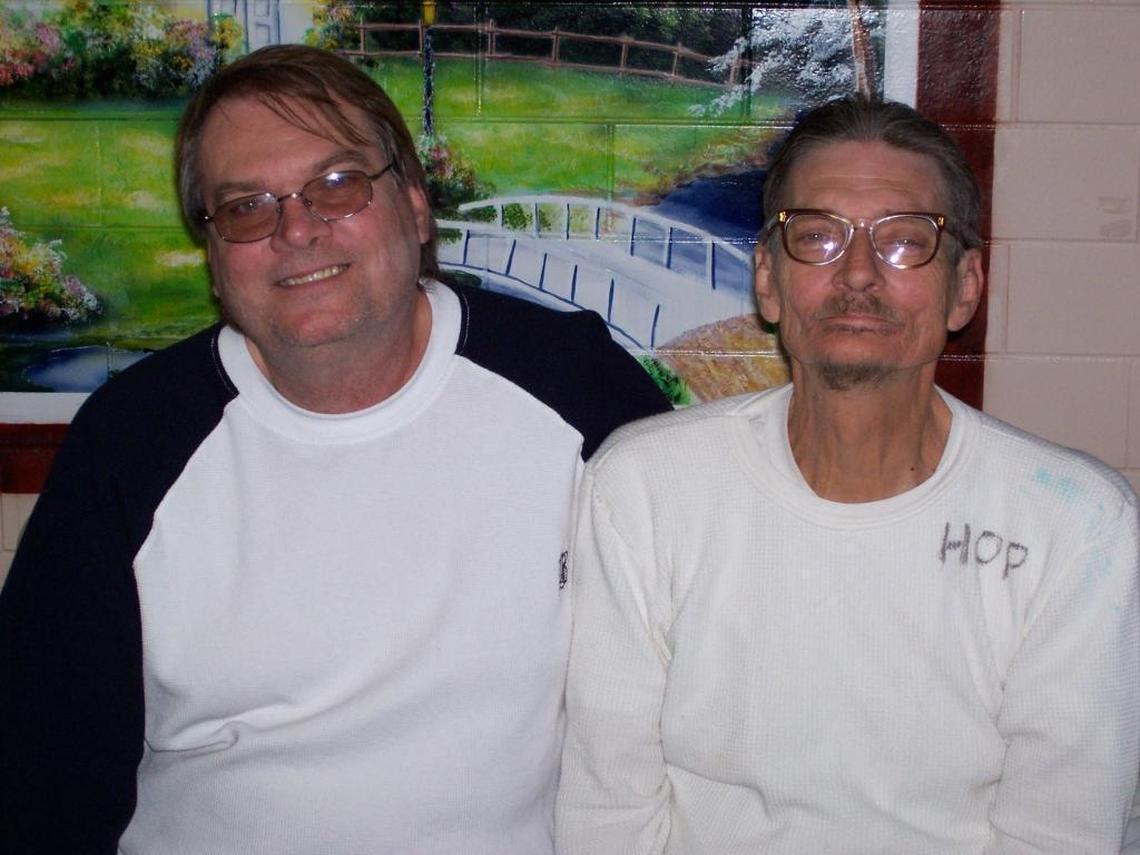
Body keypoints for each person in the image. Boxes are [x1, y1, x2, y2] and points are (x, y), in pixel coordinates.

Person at [0, 44, 669, 854]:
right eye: (246, 206)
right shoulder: (130, 444)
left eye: (338, 185)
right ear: (213, 256)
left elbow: (700, 667)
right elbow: (43, 781)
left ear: (416, 206)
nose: (296, 228)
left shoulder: (577, 387)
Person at [555, 95, 1140, 854]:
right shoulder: (640, 489)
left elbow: (1061, 829)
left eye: (904, 242)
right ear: (767, 279)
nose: (858, 272)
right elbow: (609, 813)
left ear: (965, 287)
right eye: (818, 237)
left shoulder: (1075, 524)